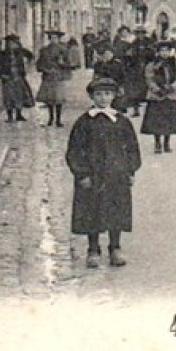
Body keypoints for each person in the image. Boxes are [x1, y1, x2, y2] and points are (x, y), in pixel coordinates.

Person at [65, 75, 142, 269]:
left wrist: (131, 170)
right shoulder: (84, 122)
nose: (103, 98)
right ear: (92, 97)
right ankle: (93, 249)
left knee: (116, 210)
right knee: (93, 211)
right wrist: (81, 174)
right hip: (93, 175)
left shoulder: (122, 121)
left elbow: (132, 147)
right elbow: (74, 151)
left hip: (117, 175)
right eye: (98, 94)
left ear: (114, 96)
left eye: (107, 94)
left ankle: (115, 247)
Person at [140, 43, 176, 153]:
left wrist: (172, 87)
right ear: (158, 52)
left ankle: (166, 142)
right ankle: (157, 143)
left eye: (167, 50)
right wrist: (157, 89)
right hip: (156, 96)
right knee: (157, 121)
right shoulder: (152, 65)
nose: (164, 53)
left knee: (169, 121)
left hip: (170, 95)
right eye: (162, 50)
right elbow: (149, 79)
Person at [0, 34, 35, 123]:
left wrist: (29, 65)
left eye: (14, 43)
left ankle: (18, 114)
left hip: (18, 77)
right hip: (7, 78)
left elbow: (31, 56)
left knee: (19, 96)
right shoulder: (3, 54)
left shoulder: (20, 52)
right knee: (8, 97)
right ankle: (10, 116)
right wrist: (2, 75)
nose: (12, 45)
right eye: (10, 43)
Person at [36, 30, 72, 127]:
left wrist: (62, 64)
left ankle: (58, 120)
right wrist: (44, 69)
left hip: (58, 77)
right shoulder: (44, 51)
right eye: (51, 38)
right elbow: (39, 64)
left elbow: (69, 64)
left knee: (58, 99)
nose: (53, 40)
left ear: (58, 39)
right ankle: (51, 118)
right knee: (49, 99)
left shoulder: (63, 50)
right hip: (48, 77)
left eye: (55, 38)